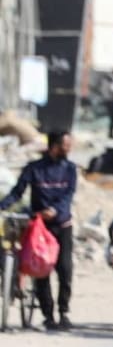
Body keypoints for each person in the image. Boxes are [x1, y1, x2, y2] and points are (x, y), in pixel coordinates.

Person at [0, 131, 77, 330]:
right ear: (53, 146)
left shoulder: (70, 169)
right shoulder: (34, 169)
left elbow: (68, 196)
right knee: (41, 268)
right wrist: (2, 207)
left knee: (65, 269)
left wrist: (56, 211)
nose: (68, 149)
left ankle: (63, 311)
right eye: (65, 145)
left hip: (62, 225)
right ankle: (48, 315)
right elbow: (17, 193)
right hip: (39, 227)